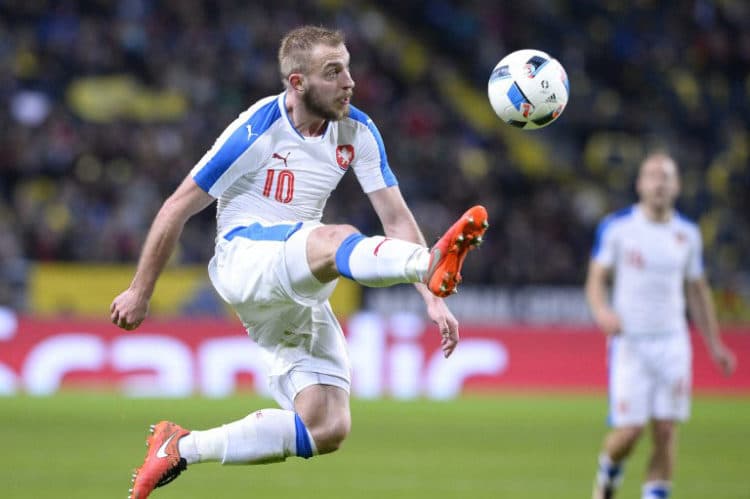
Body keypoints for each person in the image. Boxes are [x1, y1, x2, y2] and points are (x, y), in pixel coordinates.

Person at [110, 26, 488, 499]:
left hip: (294, 283)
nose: (349, 81)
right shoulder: (257, 130)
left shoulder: (357, 130)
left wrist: (431, 301)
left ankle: (181, 447)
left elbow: (394, 217)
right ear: (297, 82)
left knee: (327, 425)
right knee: (337, 238)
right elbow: (176, 207)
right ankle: (425, 264)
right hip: (244, 258)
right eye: (334, 72)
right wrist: (140, 291)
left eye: (348, 67)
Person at [585, 152, 736, 499]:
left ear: (677, 186)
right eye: (652, 175)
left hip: (673, 343)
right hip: (630, 344)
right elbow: (595, 278)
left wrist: (715, 345)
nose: (659, 183)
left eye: (666, 176)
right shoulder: (618, 228)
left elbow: (698, 291)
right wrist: (602, 311)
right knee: (630, 432)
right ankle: (608, 473)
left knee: (666, 430)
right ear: (640, 184)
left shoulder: (688, 235)